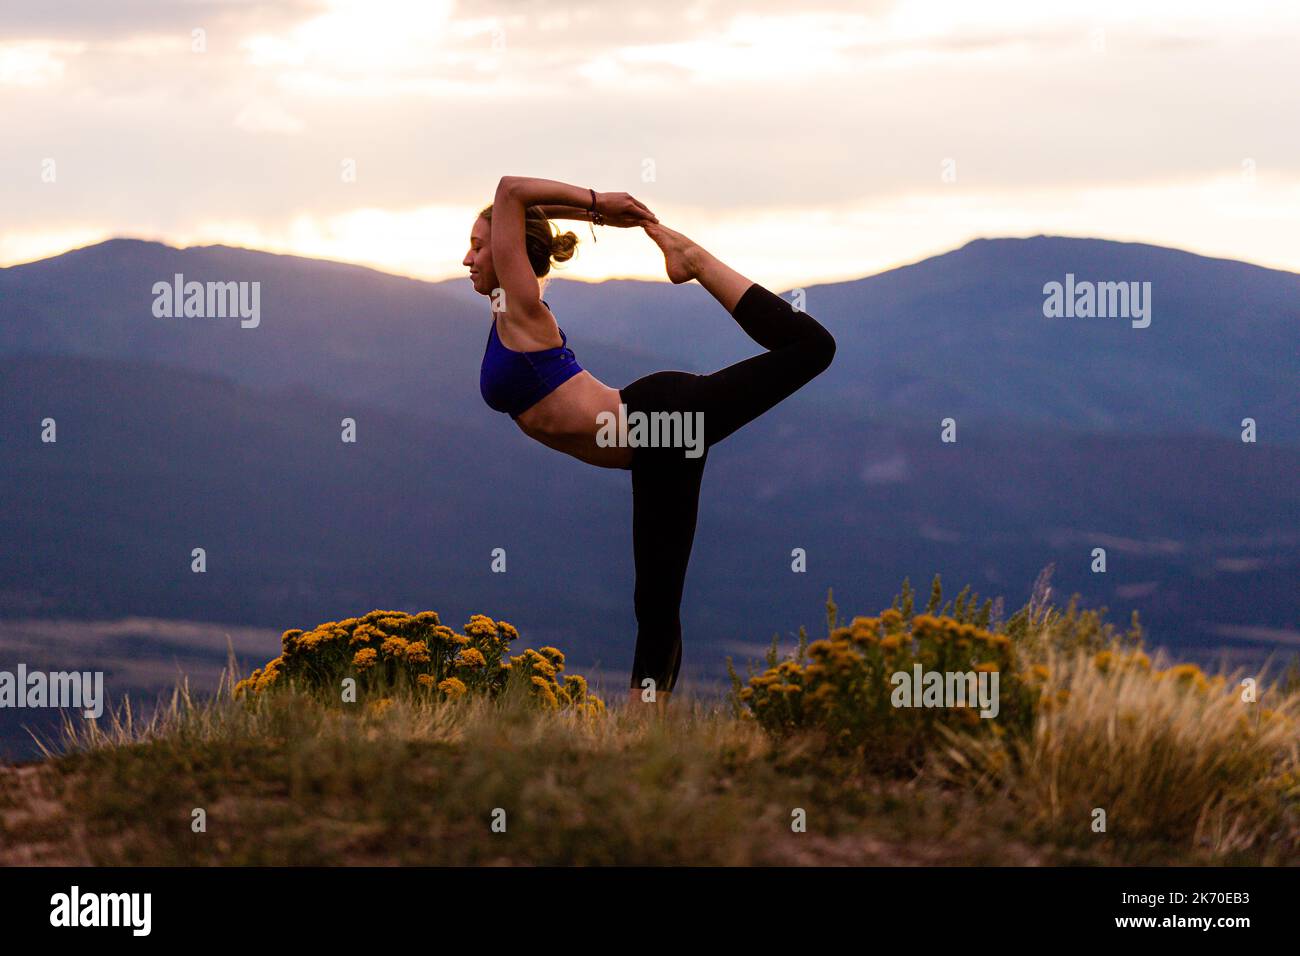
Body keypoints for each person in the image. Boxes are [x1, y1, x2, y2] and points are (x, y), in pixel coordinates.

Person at [466, 176, 835, 716]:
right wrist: (587, 216)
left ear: (508, 252)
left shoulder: (522, 307)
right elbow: (516, 207)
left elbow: (509, 191)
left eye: (480, 246)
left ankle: (695, 260)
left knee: (811, 347)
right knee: (656, 597)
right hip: (653, 433)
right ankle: (646, 725)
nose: (468, 257)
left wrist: (597, 207)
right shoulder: (506, 311)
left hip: (660, 422)